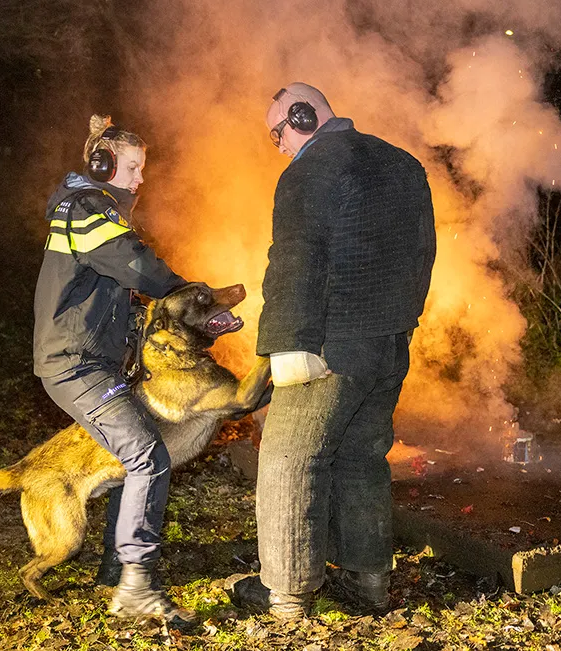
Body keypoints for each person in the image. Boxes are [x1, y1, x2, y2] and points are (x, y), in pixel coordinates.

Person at [229, 83, 437, 619]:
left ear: (302, 116)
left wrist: (286, 346)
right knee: (361, 456)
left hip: (332, 344)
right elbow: (423, 255)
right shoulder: (404, 164)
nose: (277, 145)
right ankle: (369, 582)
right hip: (389, 343)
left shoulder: (308, 172)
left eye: (278, 132)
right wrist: (403, 321)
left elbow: (295, 261)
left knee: (288, 458)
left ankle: (287, 595)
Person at [33, 114, 194, 624]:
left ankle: (113, 572)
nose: (140, 178)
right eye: (132, 167)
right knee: (148, 455)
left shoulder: (93, 208)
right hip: (74, 366)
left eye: (142, 168)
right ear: (102, 164)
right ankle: (136, 586)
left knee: (136, 453)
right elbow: (137, 265)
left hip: (88, 362)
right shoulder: (86, 210)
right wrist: (191, 295)